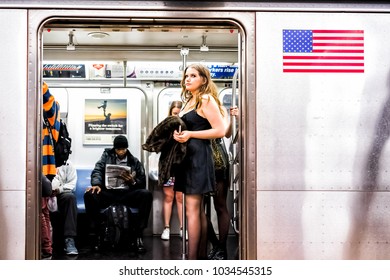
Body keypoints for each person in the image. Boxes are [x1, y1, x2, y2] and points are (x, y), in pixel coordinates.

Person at [173, 63, 226, 260]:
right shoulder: (189, 100)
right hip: (188, 158)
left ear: (203, 80)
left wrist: (190, 135)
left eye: (193, 76)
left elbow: (219, 130)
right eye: (186, 75)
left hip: (198, 157)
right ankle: (199, 257)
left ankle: (192, 259)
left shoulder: (205, 99)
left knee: (193, 209)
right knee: (195, 210)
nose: (188, 79)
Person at [84, 135, 153, 253]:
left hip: (127, 194)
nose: (121, 152)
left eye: (123, 149)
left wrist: (133, 181)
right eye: (118, 150)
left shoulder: (134, 161)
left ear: (127, 148)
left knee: (146, 195)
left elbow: (142, 181)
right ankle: (97, 233)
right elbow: (97, 171)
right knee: (90, 195)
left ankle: (138, 234)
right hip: (109, 193)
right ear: (114, 149)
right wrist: (96, 184)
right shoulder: (106, 157)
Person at [207, 106, 239, 260]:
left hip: (218, 159)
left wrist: (233, 119)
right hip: (201, 156)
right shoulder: (194, 107)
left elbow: (227, 133)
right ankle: (216, 245)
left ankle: (221, 247)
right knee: (198, 210)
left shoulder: (219, 108)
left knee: (220, 206)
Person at [160, 101, 187, 240]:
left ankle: (183, 228)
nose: (177, 117)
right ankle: (166, 228)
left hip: (182, 165)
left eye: (179, 114)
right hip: (168, 166)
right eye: (174, 114)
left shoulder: (188, 128)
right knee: (169, 197)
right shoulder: (165, 127)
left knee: (180, 198)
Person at [42, 81, 61, 259]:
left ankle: (46, 249)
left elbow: (47, 97)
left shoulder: (51, 113)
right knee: (43, 212)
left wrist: (39, 80)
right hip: (40, 168)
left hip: (44, 168)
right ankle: (46, 249)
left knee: (42, 212)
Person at [50, 159, 78, 255]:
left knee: (70, 198)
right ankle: (44, 241)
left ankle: (69, 239)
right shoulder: (44, 161)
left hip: (61, 193)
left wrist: (59, 190)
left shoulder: (69, 164)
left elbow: (72, 184)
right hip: (44, 193)